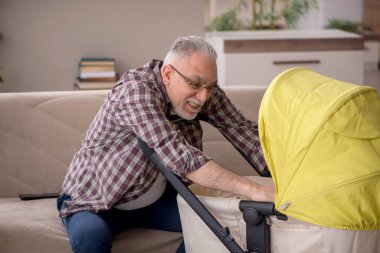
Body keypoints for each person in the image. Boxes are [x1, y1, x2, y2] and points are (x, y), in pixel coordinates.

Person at [57, 35, 275, 253]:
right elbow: (182, 157)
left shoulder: (205, 92)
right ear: (168, 74)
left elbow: (243, 131)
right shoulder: (136, 92)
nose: (203, 97)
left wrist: (291, 176)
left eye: (210, 86)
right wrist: (252, 190)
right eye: (195, 84)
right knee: (90, 237)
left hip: (155, 201)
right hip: (96, 199)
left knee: (217, 227)